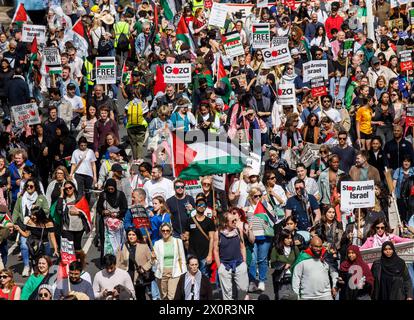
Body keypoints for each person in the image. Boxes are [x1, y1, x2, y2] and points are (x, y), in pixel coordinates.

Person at [12, 179, 49, 277]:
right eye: (27, 186)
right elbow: (16, 211)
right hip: (24, 226)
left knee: (38, 248)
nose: (29, 187)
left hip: (36, 227)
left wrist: (38, 208)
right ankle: (26, 266)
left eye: (31, 186)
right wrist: (12, 223)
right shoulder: (21, 198)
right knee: (24, 246)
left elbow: (47, 210)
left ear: (35, 187)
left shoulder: (41, 198)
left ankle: (37, 266)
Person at [213, 212, 249, 300]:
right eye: (232, 221)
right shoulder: (218, 234)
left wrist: (244, 262)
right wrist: (219, 267)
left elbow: (242, 247)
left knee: (243, 288)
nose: (235, 222)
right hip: (225, 265)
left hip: (239, 263)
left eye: (235, 220)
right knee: (227, 292)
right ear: (225, 223)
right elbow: (215, 251)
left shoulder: (238, 230)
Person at [292, 236, 339, 300]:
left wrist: (334, 286)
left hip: (326, 295)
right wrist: (296, 296)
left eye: (320, 246)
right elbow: (296, 278)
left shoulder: (326, 256)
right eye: (316, 246)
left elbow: (334, 272)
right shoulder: (302, 258)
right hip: (307, 296)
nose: (318, 249)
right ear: (310, 246)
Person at [116, 228, 153, 300]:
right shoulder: (122, 246)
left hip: (139, 276)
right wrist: (118, 274)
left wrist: (144, 268)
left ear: (137, 236)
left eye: (133, 235)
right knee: (127, 296)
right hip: (127, 274)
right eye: (129, 235)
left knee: (140, 295)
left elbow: (152, 260)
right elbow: (118, 262)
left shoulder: (144, 246)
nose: (131, 236)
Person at [184, 194, 215, 277]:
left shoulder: (209, 221)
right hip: (192, 253)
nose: (201, 206)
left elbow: (212, 238)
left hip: (205, 254)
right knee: (192, 275)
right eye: (199, 205)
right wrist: (184, 238)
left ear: (205, 207)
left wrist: (210, 255)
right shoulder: (189, 220)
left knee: (204, 275)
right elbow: (186, 236)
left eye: (203, 205)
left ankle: (203, 290)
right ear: (196, 206)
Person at [153, 223, 187, 300]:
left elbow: (182, 257)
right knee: (164, 296)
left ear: (171, 231)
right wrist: (153, 258)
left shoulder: (178, 242)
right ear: (161, 232)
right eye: (163, 230)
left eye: (167, 230)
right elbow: (155, 262)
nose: (165, 232)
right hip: (162, 272)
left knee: (172, 296)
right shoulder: (157, 243)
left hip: (175, 272)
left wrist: (183, 272)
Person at [96, 178, 128, 258]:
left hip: (118, 222)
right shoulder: (103, 195)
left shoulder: (120, 195)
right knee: (105, 241)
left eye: (112, 189)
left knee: (119, 241)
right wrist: (104, 212)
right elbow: (99, 208)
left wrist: (118, 214)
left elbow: (125, 208)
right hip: (105, 223)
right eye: (108, 188)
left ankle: (119, 259)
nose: (110, 190)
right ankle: (105, 260)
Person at [270, 229, 299, 300]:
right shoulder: (275, 249)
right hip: (281, 278)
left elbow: (299, 262)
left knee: (294, 297)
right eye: (287, 238)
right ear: (282, 238)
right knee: (281, 297)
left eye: (290, 238)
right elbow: (273, 264)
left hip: (293, 277)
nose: (290, 240)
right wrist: (283, 265)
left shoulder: (295, 248)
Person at [69, 137, 97, 203]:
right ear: (79, 145)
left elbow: (93, 164)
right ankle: (79, 207)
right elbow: (73, 164)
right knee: (79, 193)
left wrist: (95, 176)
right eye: (81, 145)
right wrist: (71, 173)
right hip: (78, 174)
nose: (83, 147)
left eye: (85, 145)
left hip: (89, 174)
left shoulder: (90, 151)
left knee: (88, 192)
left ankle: (87, 206)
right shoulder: (75, 152)